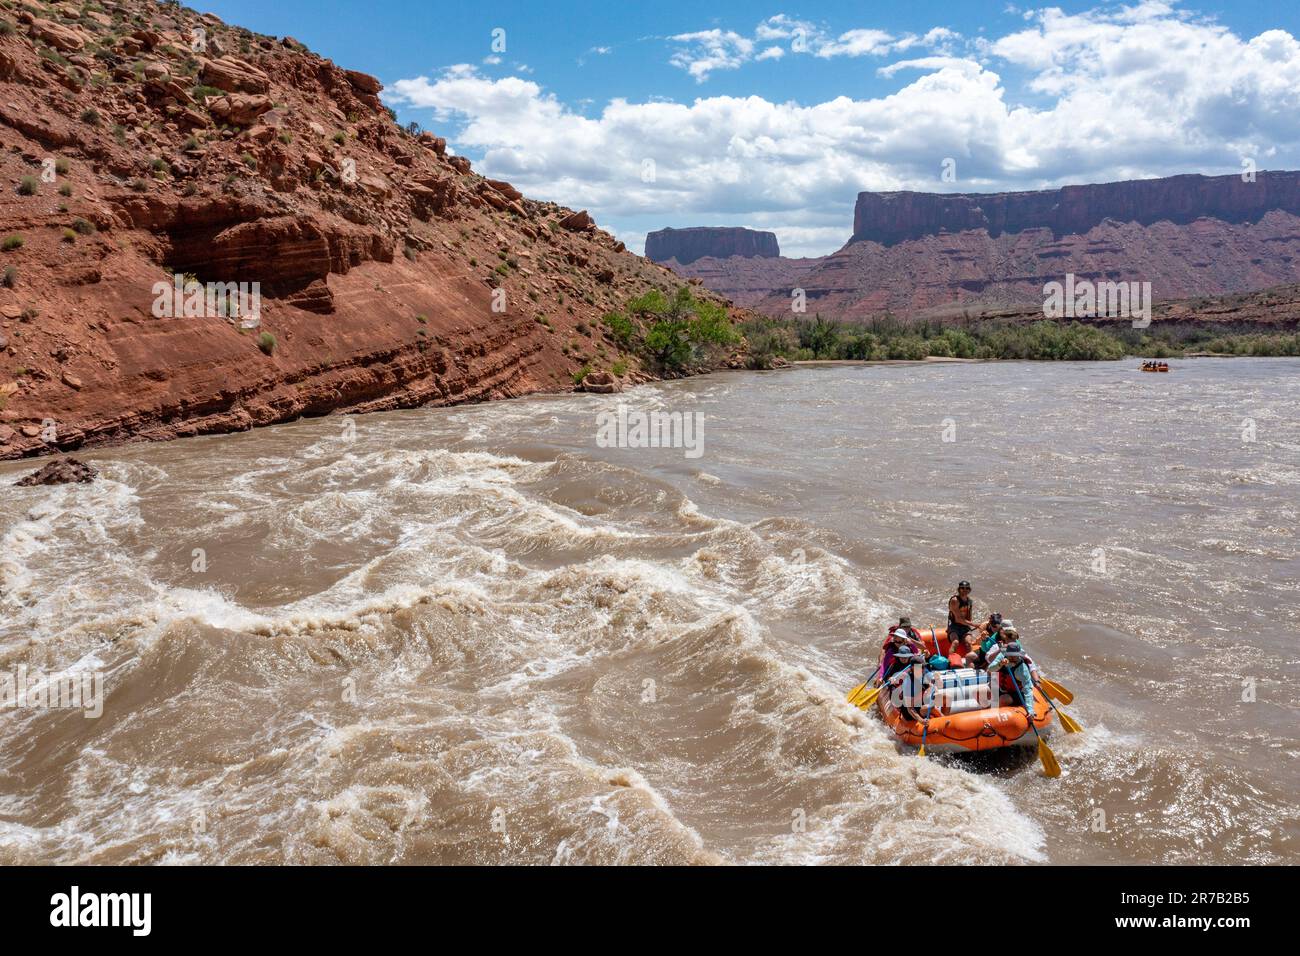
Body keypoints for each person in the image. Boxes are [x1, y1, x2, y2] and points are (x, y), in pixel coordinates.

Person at [883, 646, 934, 722]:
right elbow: (909, 708)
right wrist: (920, 720)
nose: (924, 669)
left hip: (918, 702)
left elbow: (930, 686)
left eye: (924, 667)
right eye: (922, 667)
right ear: (914, 668)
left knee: (940, 699)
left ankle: (942, 719)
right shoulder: (906, 679)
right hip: (908, 710)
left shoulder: (921, 674)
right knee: (929, 706)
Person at [987, 638, 1040, 708]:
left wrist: (1030, 710)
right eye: (1010, 655)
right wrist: (999, 664)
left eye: (1014, 655)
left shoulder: (1022, 668)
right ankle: (990, 708)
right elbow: (990, 669)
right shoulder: (1001, 658)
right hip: (1002, 689)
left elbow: (1027, 688)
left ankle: (996, 710)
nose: (1012, 657)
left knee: (1003, 699)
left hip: (1019, 693)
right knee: (985, 690)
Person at [947, 580, 975, 648]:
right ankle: (951, 657)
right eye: (962, 588)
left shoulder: (969, 601)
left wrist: (969, 627)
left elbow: (969, 617)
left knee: (968, 643)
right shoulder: (955, 600)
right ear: (959, 589)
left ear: (969, 590)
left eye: (967, 588)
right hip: (954, 625)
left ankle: (970, 658)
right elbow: (958, 619)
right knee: (955, 642)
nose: (965, 590)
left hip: (965, 626)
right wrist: (975, 625)